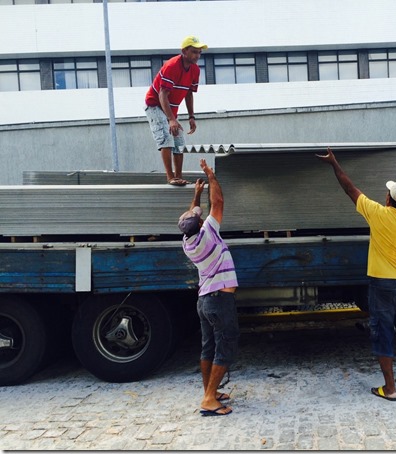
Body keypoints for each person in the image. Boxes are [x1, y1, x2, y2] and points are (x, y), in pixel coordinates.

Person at [316, 147, 396, 402]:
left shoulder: (377, 213)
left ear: (389, 199)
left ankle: (389, 389)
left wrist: (334, 162)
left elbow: (349, 188)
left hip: (382, 285)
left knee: (383, 331)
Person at [178, 158, 239, 417]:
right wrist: (211, 176)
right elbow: (219, 203)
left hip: (204, 299)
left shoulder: (188, 241)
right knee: (226, 345)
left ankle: (209, 392)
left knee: (208, 347)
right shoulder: (209, 235)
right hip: (218, 301)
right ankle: (208, 402)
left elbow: (192, 218)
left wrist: (195, 196)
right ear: (201, 225)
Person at [145, 35, 207, 186]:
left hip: (170, 109)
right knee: (166, 137)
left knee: (179, 140)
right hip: (156, 105)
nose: (197, 56)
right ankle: (170, 177)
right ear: (184, 52)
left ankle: (179, 176)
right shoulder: (172, 66)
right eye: (194, 52)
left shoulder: (195, 70)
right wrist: (171, 119)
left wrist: (191, 116)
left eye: (199, 52)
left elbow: (189, 93)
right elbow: (162, 94)